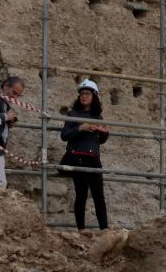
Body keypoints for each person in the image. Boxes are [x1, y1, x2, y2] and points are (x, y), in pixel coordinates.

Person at [61, 79, 110, 231]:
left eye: (87, 93)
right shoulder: (72, 114)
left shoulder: (98, 116)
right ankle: (81, 230)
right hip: (78, 157)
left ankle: (105, 230)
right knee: (81, 195)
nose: (83, 96)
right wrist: (80, 128)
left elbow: (100, 141)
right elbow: (64, 135)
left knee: (99, 196)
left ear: (94, 96)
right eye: (82, 94)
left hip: (94, 158)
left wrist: (104, 132)